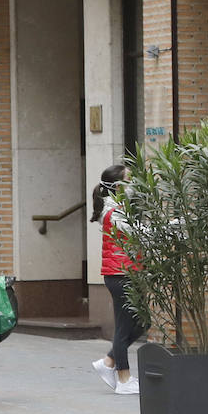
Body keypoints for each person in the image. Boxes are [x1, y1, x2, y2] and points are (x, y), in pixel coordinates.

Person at [90, 164, 140, 395]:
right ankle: (123, 378)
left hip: (124, 272)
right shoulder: (115, 213)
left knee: (142, 323)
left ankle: (109, 361)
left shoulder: (116, 207)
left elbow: (131, 192)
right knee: (123, 327)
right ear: (118, 186)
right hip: (119, 274)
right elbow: (141, 234)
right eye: (129, 179)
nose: (133, 183)